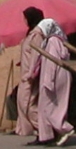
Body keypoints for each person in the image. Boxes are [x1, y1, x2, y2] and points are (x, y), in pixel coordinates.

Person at [27, 17, 74, 145]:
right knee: (55, 105)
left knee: (46, 106)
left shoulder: (53, 41)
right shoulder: (59, 41)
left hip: (54, 76)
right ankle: (47, 136)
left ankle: (64, 128)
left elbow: (51, 63)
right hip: (61, 75)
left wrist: (48, 81)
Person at [13, 7, 45, 138]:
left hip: (30, 76)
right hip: (25, 74)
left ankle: (45, 129)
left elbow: (36, 55)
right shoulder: (30, 34)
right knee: (22, 102)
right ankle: (27, 129)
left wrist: (31, 73)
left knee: (28, 104)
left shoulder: (37, 35)